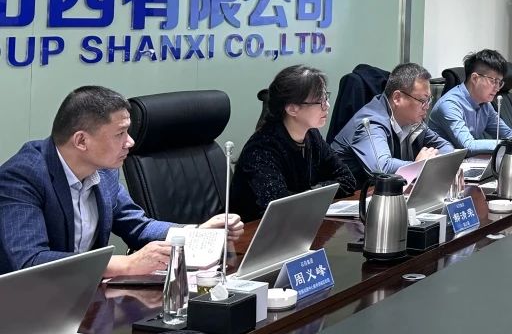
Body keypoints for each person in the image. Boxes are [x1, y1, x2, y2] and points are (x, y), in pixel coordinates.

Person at [0, 86, 243, 276]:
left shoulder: (104, 170)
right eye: (120, 134)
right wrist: (126, 264)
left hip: (84, 295)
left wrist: (197, 233)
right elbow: (31, 261)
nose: (130, 142)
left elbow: (138, 226)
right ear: (81, 141)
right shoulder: (22, 177)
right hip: (25, 306)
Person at [229, 66, 359, 222]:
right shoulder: (261, 149)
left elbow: (348, 180)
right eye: (320, 100)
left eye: (326, 97)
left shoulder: (312, 135)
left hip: (297, 223)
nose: (327, 106)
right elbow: (280, 205)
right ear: (292, 109)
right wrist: (319, 191)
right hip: (253, 231)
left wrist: (314, 190)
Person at [330, 63, 452, 190]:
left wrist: (433, 162)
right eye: (422, 101)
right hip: (347, 197)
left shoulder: (412, 121)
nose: (427, 106)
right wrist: (419, 165)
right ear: (397, 98)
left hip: (384, 193)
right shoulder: (370, 122)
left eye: (429, 100)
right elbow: (382, 168)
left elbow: (446, 147)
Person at [427, 49, 512, 153]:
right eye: (493, 81)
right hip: (444, 161)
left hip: (467, 160)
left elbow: (507, 134)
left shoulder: (485, 104)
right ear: (475, 78)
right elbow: (468, 145)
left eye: (500, 82)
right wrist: (509, 144)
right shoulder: (449, 104)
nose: (497, 88)